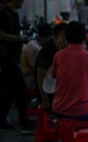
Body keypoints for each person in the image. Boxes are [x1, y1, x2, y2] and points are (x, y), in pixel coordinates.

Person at [50, 21, 88, 125]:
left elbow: (53, 75)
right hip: (83, 111)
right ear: (85, 38)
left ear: (66, 38)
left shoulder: (58, 55)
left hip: (58, 108)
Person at [0, 0, 34, 132]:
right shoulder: (4, 14)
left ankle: (2, 120)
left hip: (11, 59)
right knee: (21, 90)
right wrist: (19, 39)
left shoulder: (13, 15)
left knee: (7, 91)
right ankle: (25, 123)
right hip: (7, 60)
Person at [35, 23, 68, 112]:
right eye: (65, 36)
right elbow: (40, 76)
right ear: (56, 37)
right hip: (48, 94)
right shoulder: (47, 50)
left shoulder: (65, 50)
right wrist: (44, 100)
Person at [20, 23, 52, 94]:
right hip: (29, 79)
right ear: (48, 36)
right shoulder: (35, 48)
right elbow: (38, 68)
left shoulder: (34, 44)